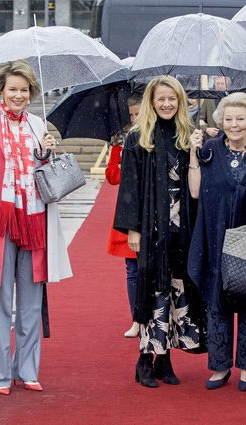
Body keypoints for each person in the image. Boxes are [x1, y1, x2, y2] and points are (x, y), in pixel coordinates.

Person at [0, 60, 73, 395]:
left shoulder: (39, 126)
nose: (19, 95)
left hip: (34, 218)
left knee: (32, 301)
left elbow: (46, 177)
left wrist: (46, 154)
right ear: (0, 91)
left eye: (24, 90)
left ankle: (28, 368)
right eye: (13, 89)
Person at [114, 76, 206, 388]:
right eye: (160, 99)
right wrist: (133, 229)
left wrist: (199, 149)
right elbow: (129, 186)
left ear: (181, 102)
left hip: (183, 229)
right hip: (152, 230)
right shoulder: (139, 137)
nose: (166, 104)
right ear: (151, 102)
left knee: (178, 292)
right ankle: (144, 360)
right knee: (151, 292)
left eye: (172, 99)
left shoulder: (187, 135)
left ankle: (166, 359)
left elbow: (197, 184)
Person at [188, 93, 246, 392]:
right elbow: (196, 192)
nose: (234, 125)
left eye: (240, 118)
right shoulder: (210, 149)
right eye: (228, 119)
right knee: (217, 299)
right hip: (214, 233)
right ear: (220, 121)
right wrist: (192, 154)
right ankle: (220, 365)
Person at [105, 93, 143, 338]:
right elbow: (112, 178)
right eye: (131, 115)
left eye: (138, 113)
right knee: (132, 268)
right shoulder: (122, 141)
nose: (135, 118)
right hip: (129, 209)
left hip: (153, 209)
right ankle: (136, 319)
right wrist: (119, 153)